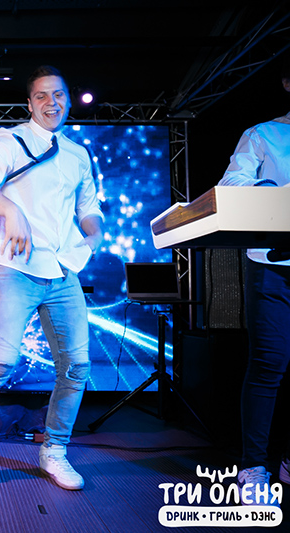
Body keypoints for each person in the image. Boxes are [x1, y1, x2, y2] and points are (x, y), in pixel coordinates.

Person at [0, 66, 103, 497]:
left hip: (63, 271)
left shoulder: (77, 154)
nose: (52, 102)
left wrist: (93, 235)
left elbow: (89, 208)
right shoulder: (10, 140)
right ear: (30, 103)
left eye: (59, 94)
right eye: (42, 96)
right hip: (16, 268)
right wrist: (10, 210)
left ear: (68, 99)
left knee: (77, 366)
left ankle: (55, 449)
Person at [218, 58, 290, 505]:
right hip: (272, 264)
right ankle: (253, 466)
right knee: (270, 363)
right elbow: (232, 185)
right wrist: (273, 194)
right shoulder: (263, 135)